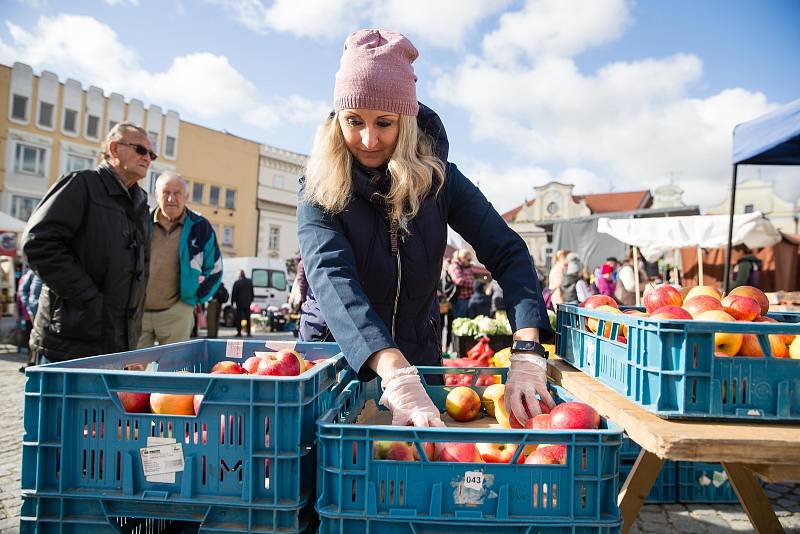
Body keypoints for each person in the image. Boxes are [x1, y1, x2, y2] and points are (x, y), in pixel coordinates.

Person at [297, 29, 552, 429]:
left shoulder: (441, 182)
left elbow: (508, 252)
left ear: (407, 121)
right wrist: (391, 367)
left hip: (419, 363)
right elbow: (332, 279)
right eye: (353, 121)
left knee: (413, 477)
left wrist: (527, 347)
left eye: (384, 122)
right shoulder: (318, 187)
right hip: (338, 366)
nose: (368, 139)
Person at [21, 122, 151, 364]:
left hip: (117, 341)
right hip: (70, 338)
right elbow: (38, 243)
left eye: (151, 154)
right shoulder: (81, 184)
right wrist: (88, 298)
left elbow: (141, 266)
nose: (148, 158)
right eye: (140, 150)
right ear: (114, 148)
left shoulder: (141, 203)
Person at [138, 172, 222, 348]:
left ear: (186, 196)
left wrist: (194, 300)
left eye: (177, 193)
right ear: (156, 194)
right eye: (166, 192)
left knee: (174, 370)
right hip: (138, 313)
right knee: (135, 370)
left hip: (177, 312)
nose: (171, 198)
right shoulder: (140, 222)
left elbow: (214, 269)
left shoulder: (200, 227)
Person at [17, 269, 42, 371]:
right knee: (34, 337)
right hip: (35, 311)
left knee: (42, 339)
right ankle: (31, 363)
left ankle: (37, 363)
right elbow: (23, 290)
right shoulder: (33, 272)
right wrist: (29, 307)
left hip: (47, 312)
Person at [448, 249, 475, 318]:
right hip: (460, 300)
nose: (470, 261)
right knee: (461, 323)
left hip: (468, 298)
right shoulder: (454, 266)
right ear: (462, 258)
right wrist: (473, 284)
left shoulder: (466, 266)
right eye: (469, 260)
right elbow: (458, 280)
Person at [231, 270, 254, 337]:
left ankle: (239, 332)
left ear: (239, 275)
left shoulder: (237, 282)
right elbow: (252, 292)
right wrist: (251, 300)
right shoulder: (249, 282)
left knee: (239, 318)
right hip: (247, 302)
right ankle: (248, 332)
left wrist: (232, 302)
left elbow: (234, 293)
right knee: (247, 318)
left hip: (239, 303)